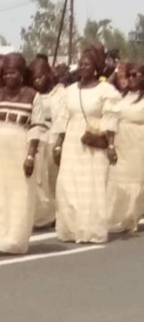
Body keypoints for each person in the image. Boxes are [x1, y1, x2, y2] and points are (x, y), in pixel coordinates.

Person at [0, 53, 45, 256]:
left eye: (12, 73)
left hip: (19, 150)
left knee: (17, 196)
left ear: (21, 74)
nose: (7, 77)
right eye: (5, 73)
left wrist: (30, 156)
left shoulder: (32, 96)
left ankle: (13, 241)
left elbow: (36, 128)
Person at [53, 45, 121, 244]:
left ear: (96, 67)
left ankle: (90, 230)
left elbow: (110, 119)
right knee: (67, 185)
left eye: (87, 64)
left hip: (93, 142)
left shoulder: (106, 91)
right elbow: (62, 118)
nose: (82, 67)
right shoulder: (69, 91)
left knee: (91, 187)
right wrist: (58, 144)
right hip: (72, 142)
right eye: (80, 64)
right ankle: (71, 229)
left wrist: (110, 145)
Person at [106, 63, 144, 233]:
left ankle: (132, 217)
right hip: (121, 142)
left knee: (136, 179)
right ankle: (116, 215)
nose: (131, 78)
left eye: (135, 75)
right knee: (117, 177)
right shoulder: (121, 96)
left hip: (138, 142)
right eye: (129, 75)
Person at [29, 57, 64, 229]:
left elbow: (63, 117)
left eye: (41, 76)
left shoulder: (59, 93)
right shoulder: (30, 94)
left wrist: (59, 142)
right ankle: (43, 215)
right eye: (34, 77)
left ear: (48, 75)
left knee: (53, 177)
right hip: (38, 137)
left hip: (53, 135)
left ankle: (59, 212)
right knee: (39, 179)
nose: (38, 81)